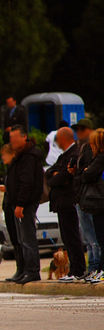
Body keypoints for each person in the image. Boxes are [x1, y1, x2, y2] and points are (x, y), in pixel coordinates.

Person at [45, 127, 86, 282]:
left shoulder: (74, 154)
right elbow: (50, 174)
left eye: (57, 139)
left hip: (68, 200)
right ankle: (74, 269)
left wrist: (58, 176)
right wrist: (57, 175)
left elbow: (60, 178)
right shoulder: (64, 155)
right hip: (62, 202)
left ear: (63, 139)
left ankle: (78, 270)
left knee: (72, 236)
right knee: (67, 237)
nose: (56, 143)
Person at [6, 125, 43, 284]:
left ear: (24, 137)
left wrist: (20, 204)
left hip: (25, 204)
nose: (12, 142)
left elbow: (27, 182)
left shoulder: (29, 156)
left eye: (15, 139)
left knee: (28, 239)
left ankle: (32, 271)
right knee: (22, 239)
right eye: (11, 139)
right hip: (18, 203)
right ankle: (24, 270)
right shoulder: (20, 155)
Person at [69, 118, 101, 279]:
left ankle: (96, 267)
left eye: (82, 129)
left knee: (94, 237)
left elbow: (89, 173)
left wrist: (82, 173)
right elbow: (83, 173)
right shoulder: (81, 148)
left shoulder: (92, 150)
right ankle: (92, 268)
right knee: (88, 238)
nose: (79, 132)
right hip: (82, 196)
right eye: (77, 129)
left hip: (91, 198)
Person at [0, 144, 23, 281]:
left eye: (4, 154)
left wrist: (7, 188)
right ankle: (20, 269)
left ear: (11, 154)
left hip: (14, 205)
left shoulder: (16, 168)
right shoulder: (8, 169)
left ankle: (23, 269)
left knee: (19, 238)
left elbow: (13, 187)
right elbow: (2, 186)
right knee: (14, 239)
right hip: (8, 205)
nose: (2, 157)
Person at [78, 129, 104, 283]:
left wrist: (86, 171)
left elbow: (87, 175)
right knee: (99, 238)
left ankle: (101, 269)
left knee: (101, 238)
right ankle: (100, 268)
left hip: (99, 201)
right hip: (98, 202)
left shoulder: (100, 158)